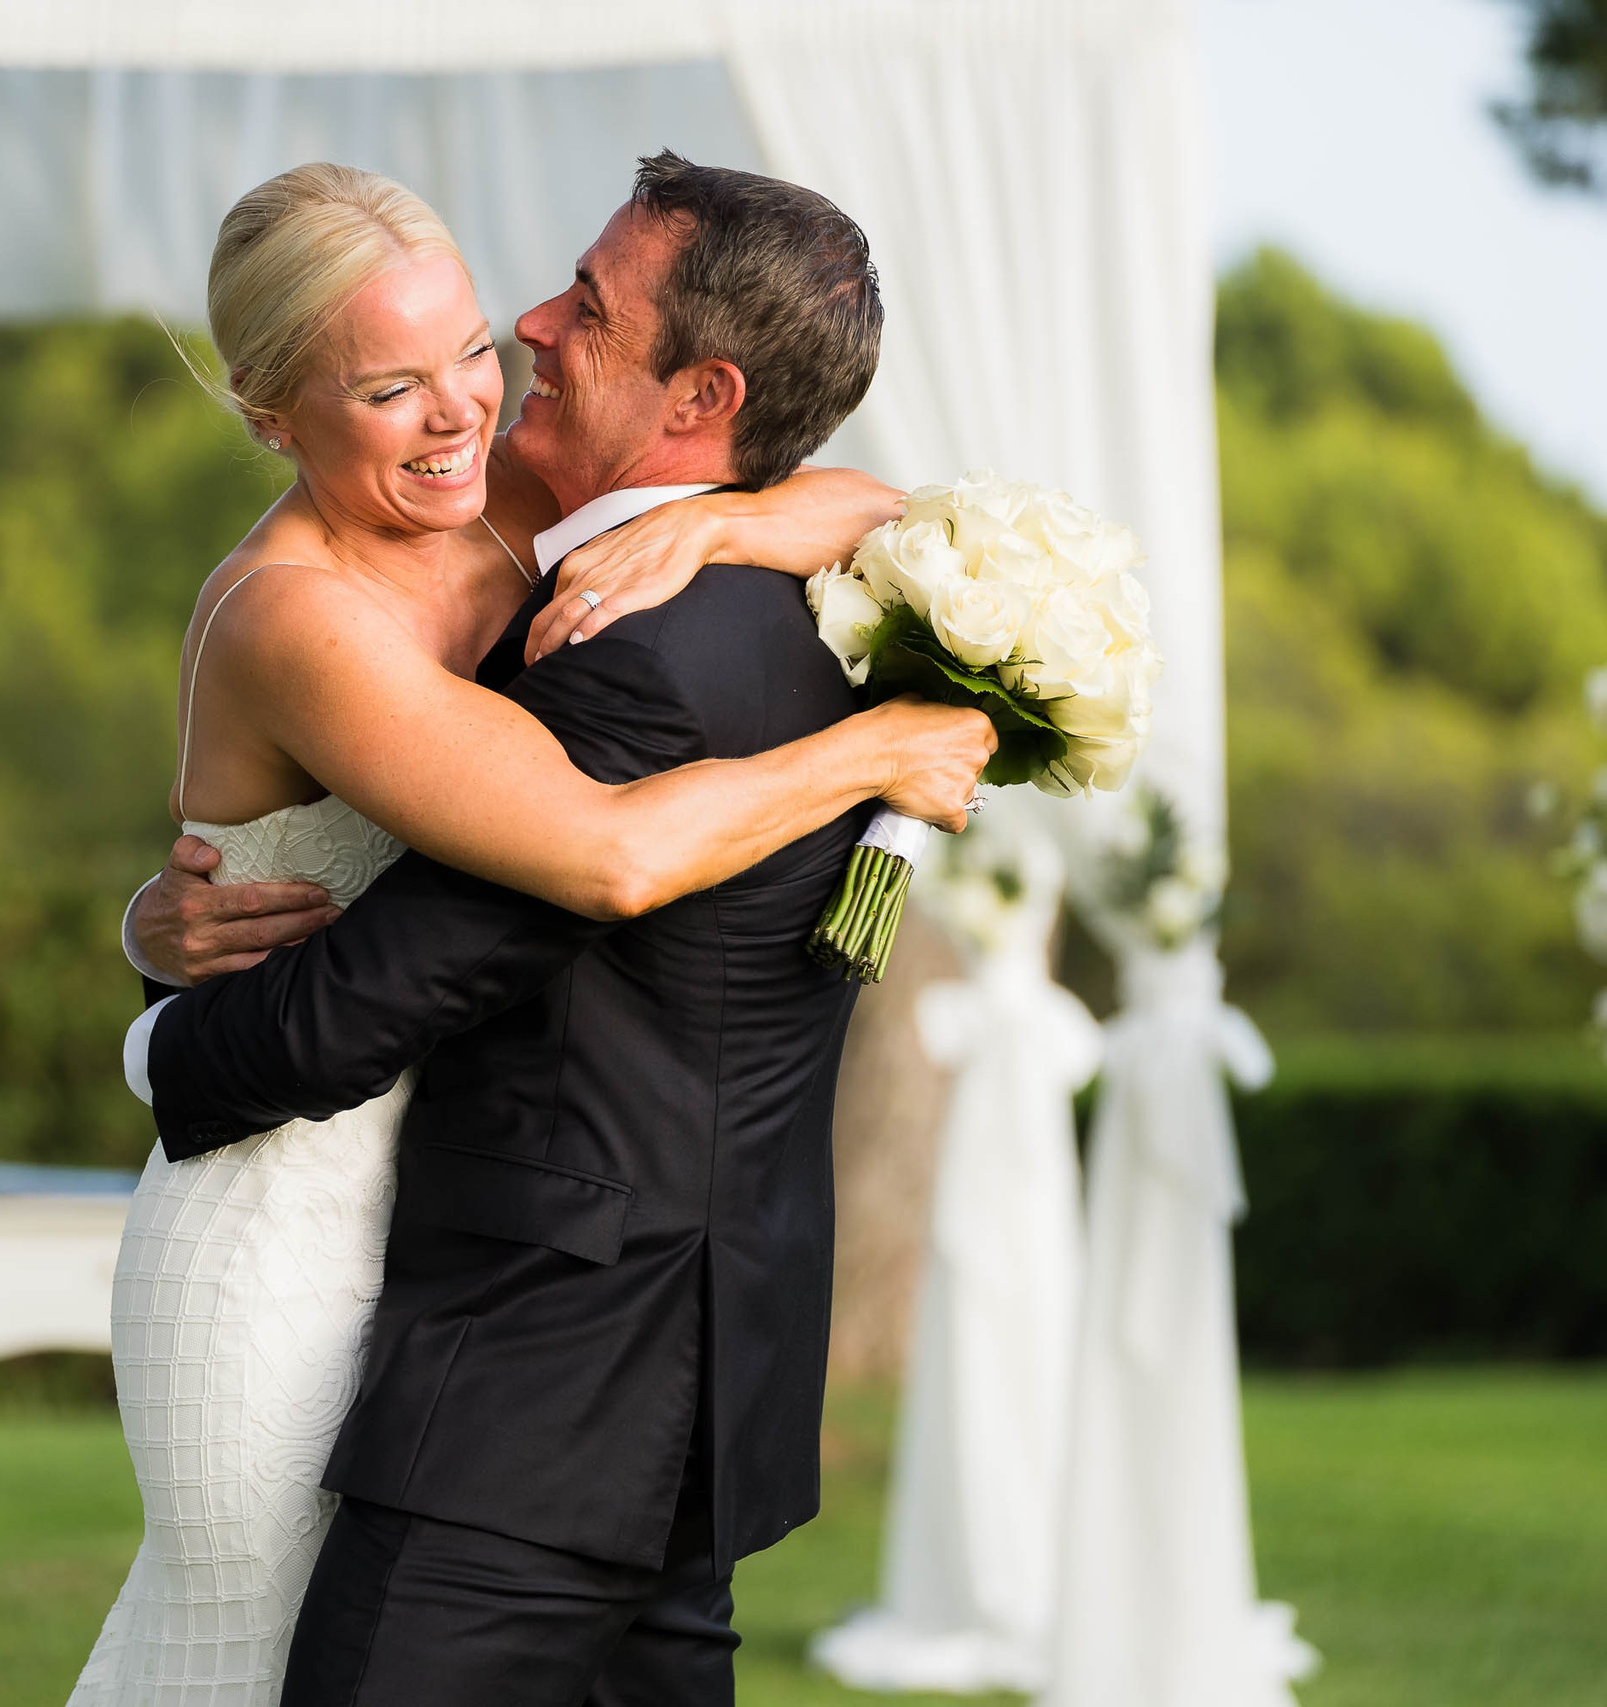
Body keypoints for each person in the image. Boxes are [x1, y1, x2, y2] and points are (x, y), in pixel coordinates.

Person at [111, 155, 965, 1706]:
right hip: (289, 1227)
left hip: (475, 1262)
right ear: (268, 409)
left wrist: (732, 532)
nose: (468, 395)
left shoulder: (518, 496)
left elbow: (885, 503)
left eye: (474, 353)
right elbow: (609, 857)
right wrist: (876, 750)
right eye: (391, 384)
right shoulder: (297, 613)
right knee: (226, 1658)